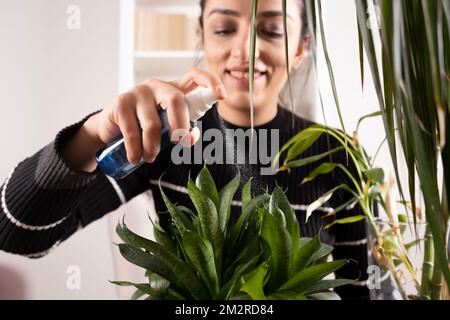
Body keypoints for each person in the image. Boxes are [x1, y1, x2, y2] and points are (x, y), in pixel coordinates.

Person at [0, 0, 370, 299]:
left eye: (272, 30)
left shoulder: (336, 153)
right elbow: (19, 234)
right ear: (203, 38)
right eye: (224, 29)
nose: (245, 48)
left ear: (301, 49)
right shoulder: (168, 139)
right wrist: (94, 133)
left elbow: (358, 288)